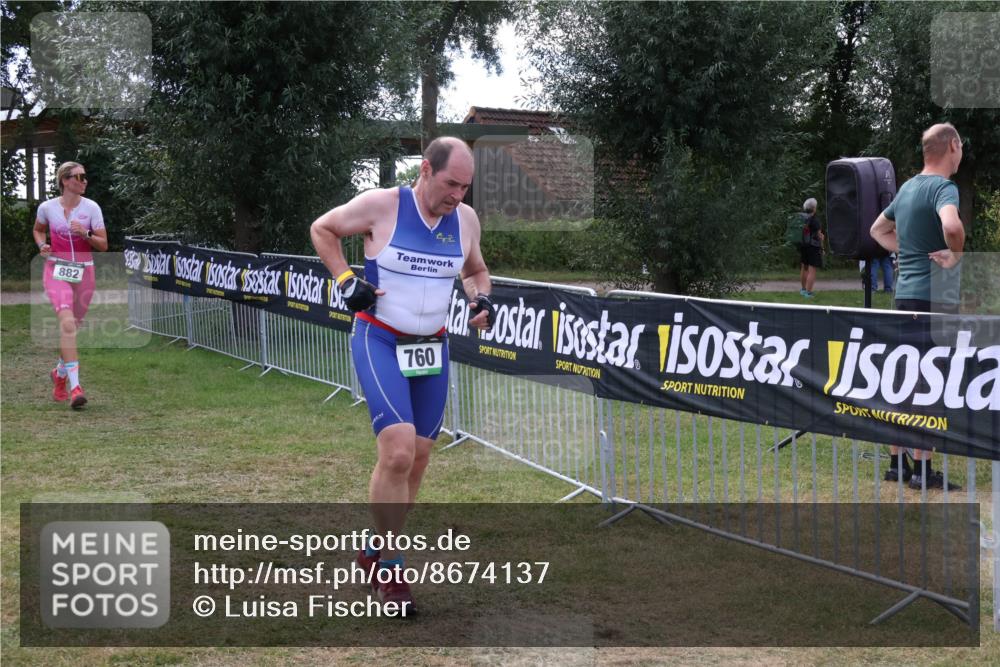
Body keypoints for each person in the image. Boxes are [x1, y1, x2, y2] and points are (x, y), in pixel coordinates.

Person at [310, 137, 494, 612]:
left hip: (431, 347)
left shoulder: (465, 221)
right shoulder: (383, 205)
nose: (458, 196)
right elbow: (323, 229)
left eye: (466, 187)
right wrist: (347, 280)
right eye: (451, 183)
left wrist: (480, 300)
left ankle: (374, 552)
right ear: (425, 171)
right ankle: (391, 568)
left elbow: (476, 270)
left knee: (418, 459)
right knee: (396, 452)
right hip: (380, 339)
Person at [870, 122, 964, 490]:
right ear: (952, 146)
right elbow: (952, 226)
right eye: (961, 147)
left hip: (905, 296)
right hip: (935, 299)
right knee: (930, 382)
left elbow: (877, 230)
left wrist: (907, 251)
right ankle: (924, 470)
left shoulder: (908, 188)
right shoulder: (944, 188)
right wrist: (956, 254)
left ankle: (897, 463)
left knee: (904, 380)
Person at [33, 162, 108, 409]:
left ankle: (59, 374)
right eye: (80, 176)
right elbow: (38, 230)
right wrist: (42, 245)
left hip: (85, 272)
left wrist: (84, 234)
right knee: (67, 324)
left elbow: (104, 245)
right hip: (56, 270)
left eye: (85, 176)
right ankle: (76, 388)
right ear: (66, 180)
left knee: (72, 329)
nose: (85, 180)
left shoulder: (91, 208)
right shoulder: (47, 208)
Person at [798, 198, 824, 298]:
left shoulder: (801, 217)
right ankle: (808, 293)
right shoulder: (815, 220)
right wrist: (822, 245)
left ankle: (803, 290)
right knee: (812, 270)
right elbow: (819, 236)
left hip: (803, 246)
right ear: (814, 208)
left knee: (804, 267)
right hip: (813, 247)